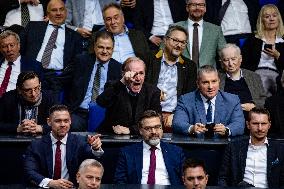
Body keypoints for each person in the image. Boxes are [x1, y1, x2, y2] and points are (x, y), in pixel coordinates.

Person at [23, 104, 104, 189]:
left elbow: (94, 163)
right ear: (49, 122)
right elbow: (29, 171)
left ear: (70, 121)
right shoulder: (37, 145)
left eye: (66, 121)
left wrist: (96, 149)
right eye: (58, 121)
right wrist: (51, 183)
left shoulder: (80, 142)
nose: (63, 124)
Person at [60, 30, 122, 131]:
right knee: (70, 125)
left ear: (113, 49)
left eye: (108, 48)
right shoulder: (81, 61)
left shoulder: (118, 69)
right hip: (79, 112)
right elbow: (60, 82)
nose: (104, 51)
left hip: (104, 114)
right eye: (101, 47)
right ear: (94, 47)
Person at [20, 0, 82, 90]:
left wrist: (62, 77)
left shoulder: (75, 36)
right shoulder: (33, 27)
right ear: (47, 13)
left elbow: (75, 62)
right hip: (32, 73)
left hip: (57, 78)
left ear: (66, 12)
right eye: (54, 10)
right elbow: (19, 48)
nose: (58, 13)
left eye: (61, 9)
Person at [146, 25, 197, 131]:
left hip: (175, 116)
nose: (179, 45)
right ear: (165, 40)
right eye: (175, 40)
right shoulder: (149, 59)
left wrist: (177, 115)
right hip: (149, 115)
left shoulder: (189, 66)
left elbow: (189, 98)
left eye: (183, 42)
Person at [218, 107, 284, 188]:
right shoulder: (234, 147)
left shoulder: (280, 149)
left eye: (263, 124)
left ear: (269, 125)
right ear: (248, 125)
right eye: (255, 124)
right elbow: (222, 178)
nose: (260, 128)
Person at [114, 110, 185, 185]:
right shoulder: (127, 153)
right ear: (140, 131)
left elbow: (185, 180)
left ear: (162, 128)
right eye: (148, 128)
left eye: (157, 127)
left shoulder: (176, 152)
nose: (154, 132)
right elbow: (120, 182)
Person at [172, 65, 245, 137]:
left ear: (219, 81)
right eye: (205, 82)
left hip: (223, 147)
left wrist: (226, 130)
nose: (210, 87)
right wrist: (192, 128)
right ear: (198, 84)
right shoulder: (185, 100)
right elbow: (178, 123)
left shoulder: (232, 100)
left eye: (214, 81)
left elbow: (239, 124)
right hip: (196, 146)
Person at [96, 57, 161, 135]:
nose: (138, 78)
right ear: (124, 74)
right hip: (112, 137)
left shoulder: (153, 92)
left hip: (141, 138)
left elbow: (158, 121)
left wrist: (130, 130)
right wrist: (122, 82)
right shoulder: (114, 86)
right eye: (134, 73)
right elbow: (101, 102)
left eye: (141, 73)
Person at [242, 4, 284, 97]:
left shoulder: (283, 41)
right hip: (256, 74)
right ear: (262, 20)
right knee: (262, 80)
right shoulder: (253, 40)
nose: (271, 19)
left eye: (274, 15)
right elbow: (244, 63)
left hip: (278, 76)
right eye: (267, 16)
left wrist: (278, 56)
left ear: (278, 19)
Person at [172, 0, 226, 68]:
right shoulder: (174, 27)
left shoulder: (216, 30)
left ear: (205, 8)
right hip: (181, 74)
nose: (197, 8)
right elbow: (163, 52)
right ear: (187, 8)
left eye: (201, 5)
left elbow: (225, 53)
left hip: (207, 75)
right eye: (193, 5)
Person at [219, 43, 266, 120]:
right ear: (221, 62)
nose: (230, 64)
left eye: (233, 59)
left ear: (240, 59)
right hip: (226, 120)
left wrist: (254, 105)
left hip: (252, 118)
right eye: (226, 60)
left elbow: (264, 99)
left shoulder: (253, 77)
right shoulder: (217, 77)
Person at [0, 30, 43, 97]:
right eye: (4, 46)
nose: (9, 49)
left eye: (12, 45)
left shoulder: (34, 66)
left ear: (18, 45)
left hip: (16, 102)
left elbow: (39, 90)